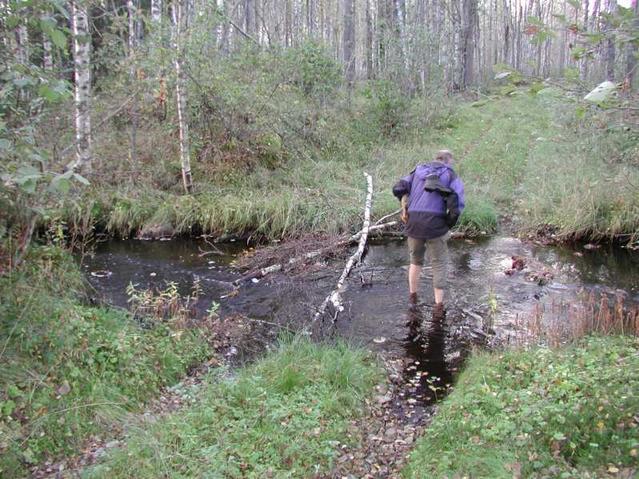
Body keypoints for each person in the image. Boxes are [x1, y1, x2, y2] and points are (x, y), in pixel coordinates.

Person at [392, 150, 465, 308]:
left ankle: (413, 296)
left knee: (415, 261)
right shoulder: (450, 174)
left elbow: (398, 187)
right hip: (435, 223)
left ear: (436, 158)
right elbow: (457, 203)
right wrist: (448, 225)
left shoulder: (418, 170)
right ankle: (438, 306)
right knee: (438, 264)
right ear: (448, 161)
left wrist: (403, 202)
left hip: (414, 221)